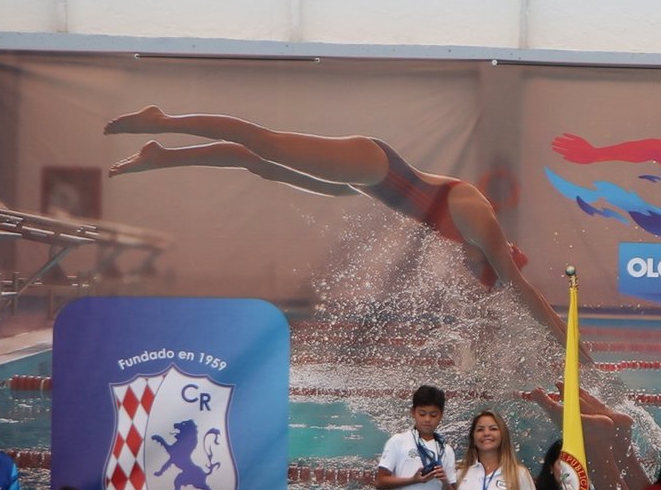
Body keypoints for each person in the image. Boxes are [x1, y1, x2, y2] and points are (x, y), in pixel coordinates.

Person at [105, 107, 569, 344]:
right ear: (489, 257)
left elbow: (506, 294)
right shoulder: (480, 225)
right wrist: (573, 349)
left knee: (264, 165)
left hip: (367, 184)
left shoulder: (468, 240)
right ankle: (161, 120)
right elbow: (522, 290)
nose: (468, 271)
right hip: (376, 166)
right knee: (265, 143)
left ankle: (163, 157)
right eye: (478, 270)